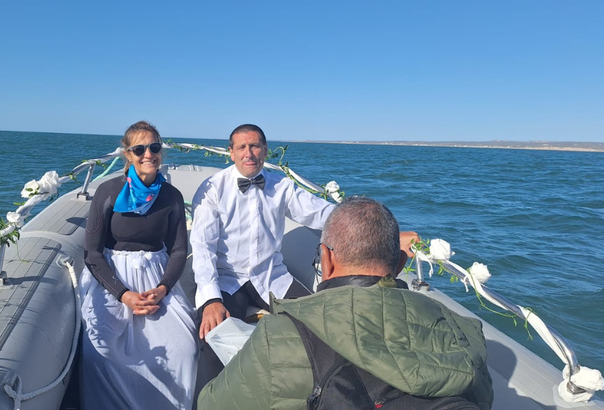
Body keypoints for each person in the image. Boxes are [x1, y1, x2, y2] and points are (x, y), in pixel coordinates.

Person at [198, 197, 494, 410]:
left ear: (325, 259)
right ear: (401, 263)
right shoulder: (461, 330)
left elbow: (212, 404)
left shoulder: (280, 335)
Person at [190, 124, 419, 339]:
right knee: (214, 338)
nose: (248, 153)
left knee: (319, 325)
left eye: (255, 146)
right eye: (241, 147)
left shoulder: (282, 187)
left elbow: (324, 214)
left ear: (265, 150)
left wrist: (385, 235)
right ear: (231, 152)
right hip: (226, 279)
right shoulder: (212, 190)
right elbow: (203, 247)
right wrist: (211, 299)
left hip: (270, 275)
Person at [80, 121, 198, 410]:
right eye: (140, 148)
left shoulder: (171, 196)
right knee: (100, 351)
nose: (148, 154)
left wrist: (162, 289)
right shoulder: (108, 192)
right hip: (113, 277)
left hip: (156, 277)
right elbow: (92, 253)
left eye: (154, 147)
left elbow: (179, 249)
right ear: (127, 154)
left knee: (185, 349)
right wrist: (124, 294)